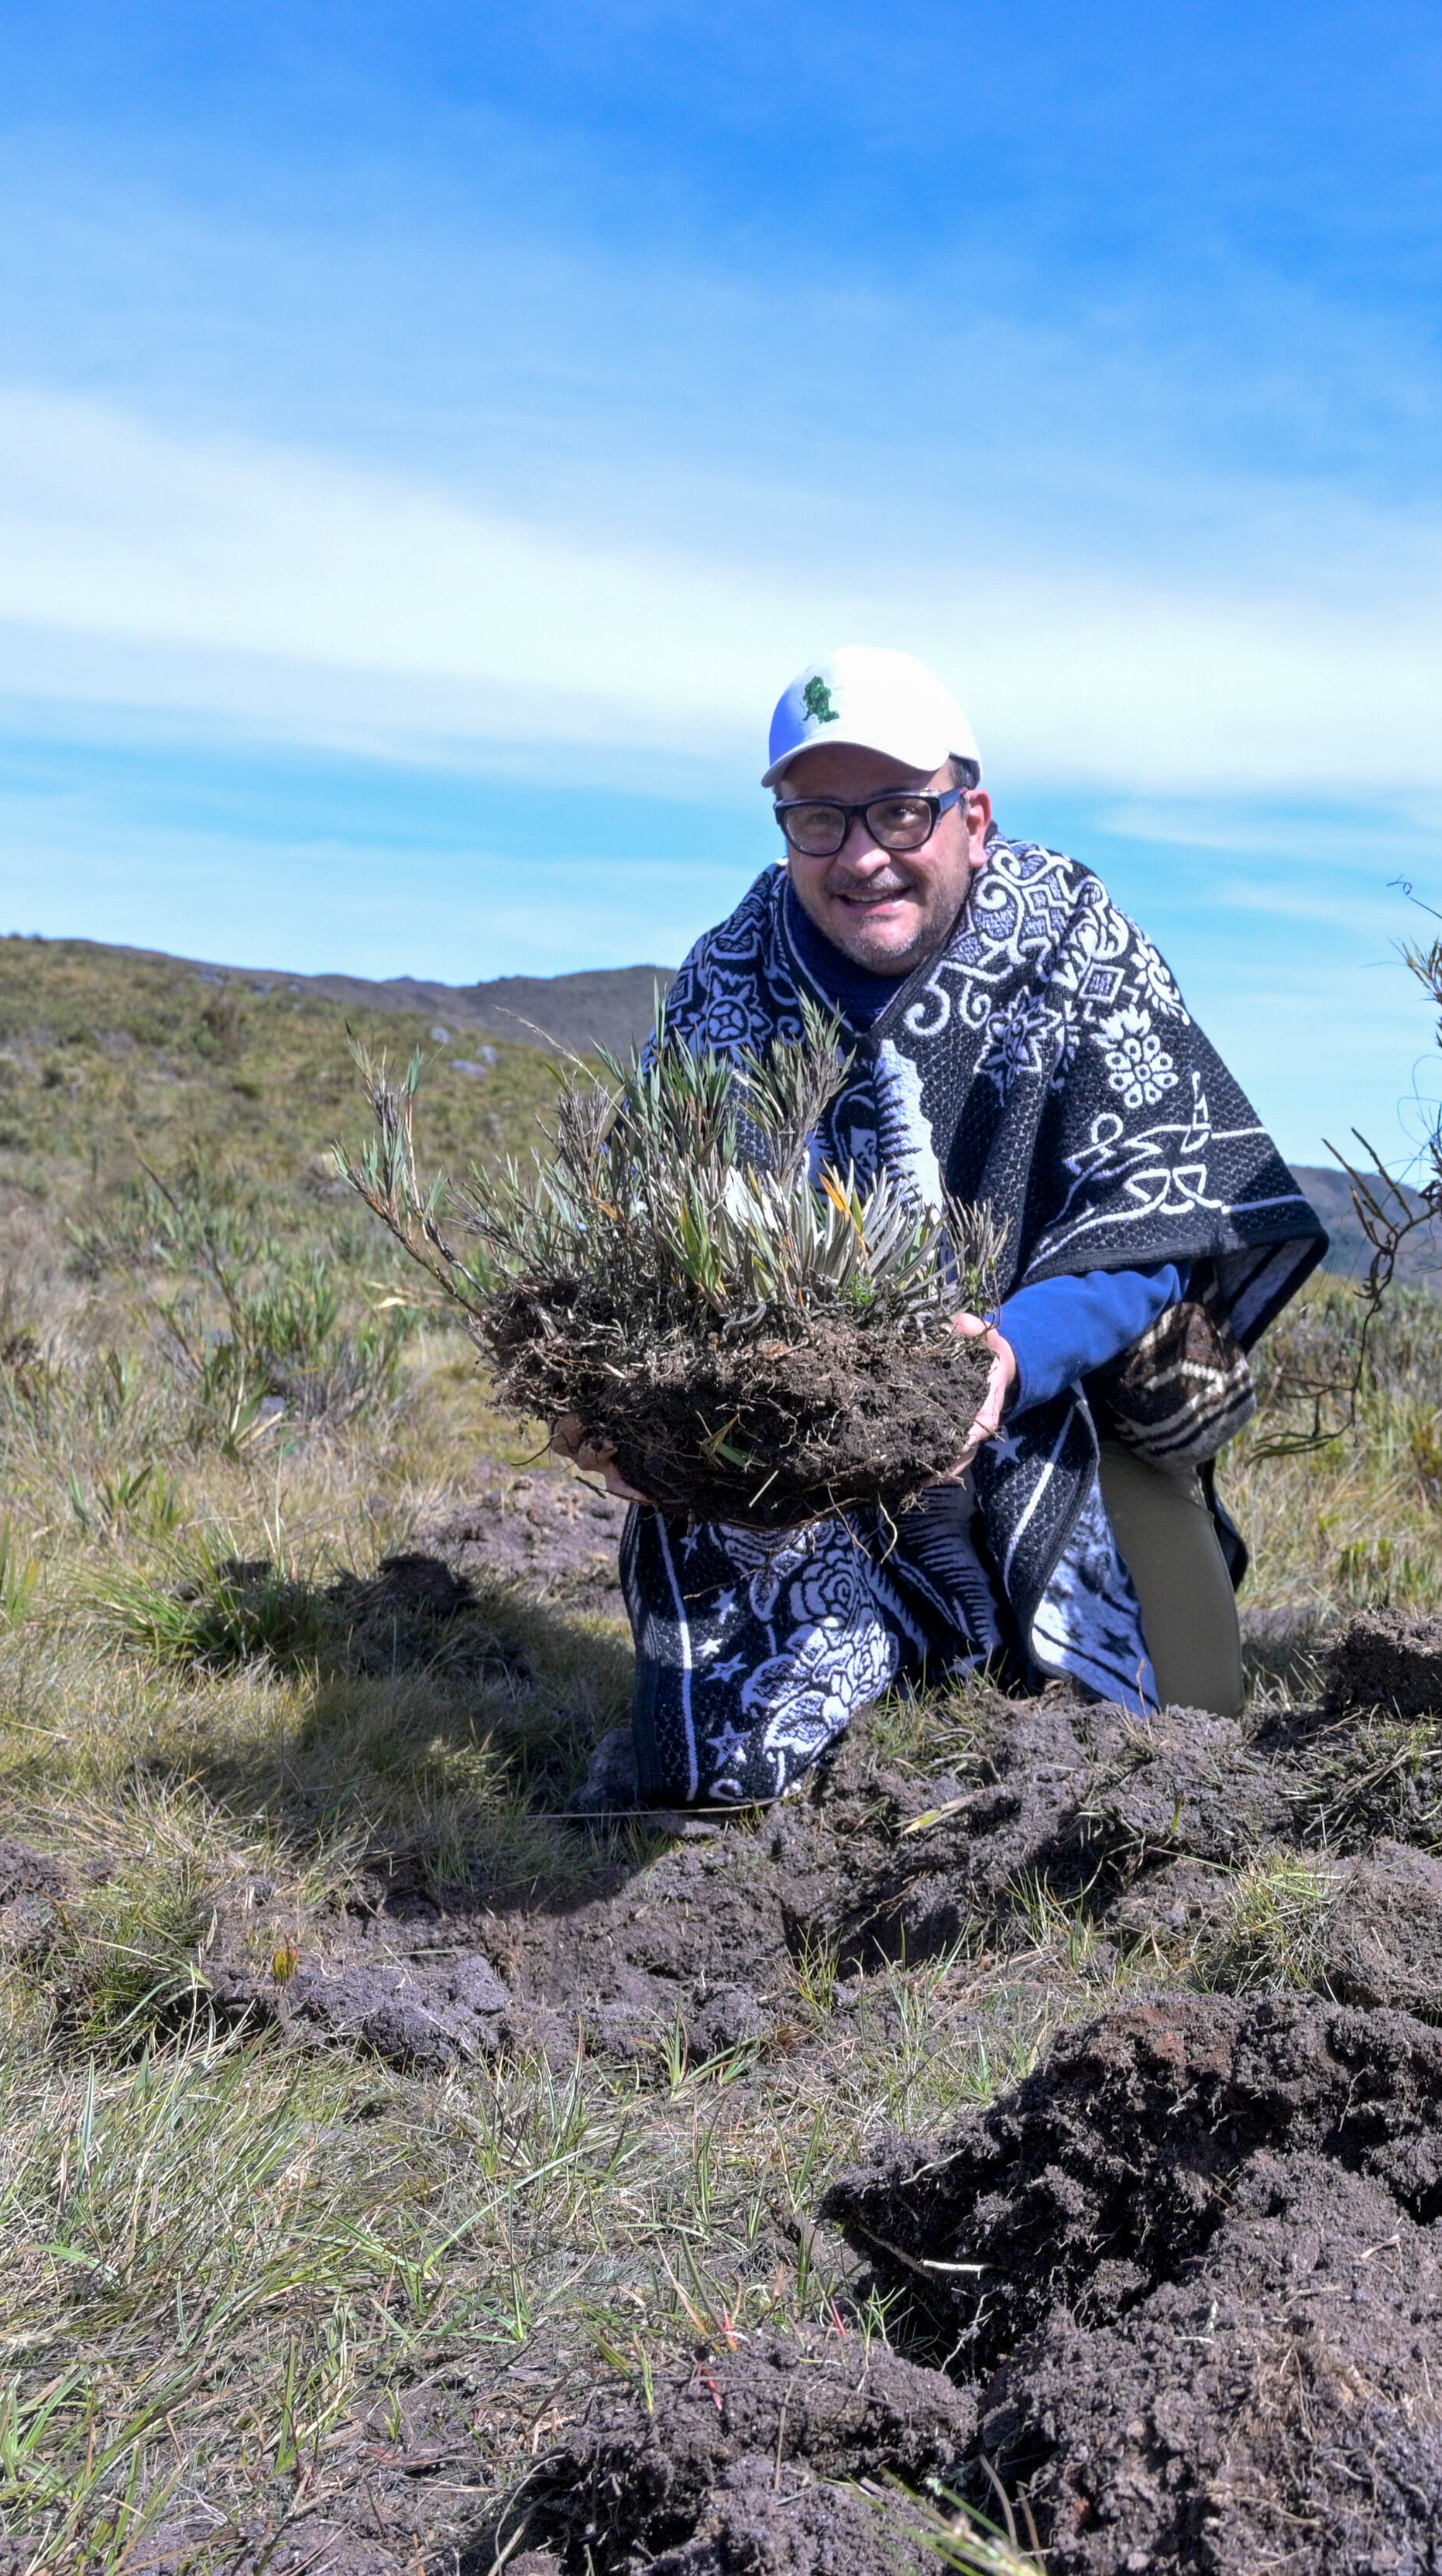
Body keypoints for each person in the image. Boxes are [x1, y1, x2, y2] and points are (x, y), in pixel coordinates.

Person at [562, 646, 1326, 1808]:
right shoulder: (728, 980)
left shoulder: (1073, 935)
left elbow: (1156, 1200)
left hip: (1058, 1394)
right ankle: (886, 1639)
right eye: (818, 818)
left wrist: (1012, 1353)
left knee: (1174, 1752)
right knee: (725, 1772)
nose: (862, 855)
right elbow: (649, 1236)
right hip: (804, 1450)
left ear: (972, 813)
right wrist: (620, 1405)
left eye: (899, 811)